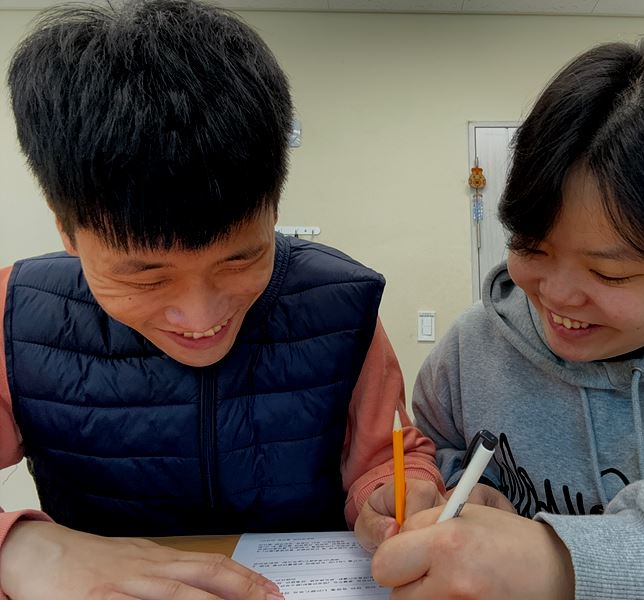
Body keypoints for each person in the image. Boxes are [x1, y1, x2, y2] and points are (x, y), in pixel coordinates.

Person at [0, 1, 444, 598]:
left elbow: (384, 459)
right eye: (146, 277)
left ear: (274, 210)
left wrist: (390, 492)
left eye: (240, 259)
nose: (201, 318)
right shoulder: (16, 314)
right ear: (67, 230)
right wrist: (23, 548)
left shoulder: (339, 303)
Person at [356, 32, 644, 598]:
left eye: (608, 273)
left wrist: (564, 562)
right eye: (531, 248)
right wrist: (448, 494)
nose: (556, 297)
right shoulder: (474, 349)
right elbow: (438, 453)